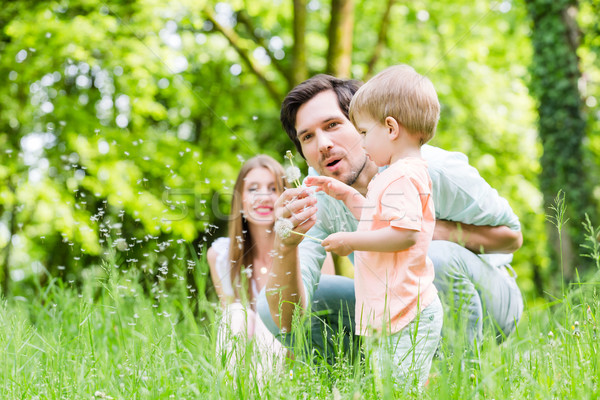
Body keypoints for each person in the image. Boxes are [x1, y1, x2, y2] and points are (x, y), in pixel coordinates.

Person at [257, 72, 523, 365]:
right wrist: (285, 246)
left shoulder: (429, 169)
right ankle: (368, 384)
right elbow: (287, 320)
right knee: (268, 305)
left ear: (364, 125)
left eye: (332, 125)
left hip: (491, 304)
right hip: (396, 310)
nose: (323, 144)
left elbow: (511, 237)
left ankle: (455, 378)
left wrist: (427, 230)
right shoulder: (317, 198)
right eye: (307, 136)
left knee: (436, 256)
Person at [305, 65, 443, 386]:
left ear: (391, 128)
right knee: (391, 386)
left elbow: (405, 234)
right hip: (394, 311)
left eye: (365, 133)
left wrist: (352, 242)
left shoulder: (402, 176)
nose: (361, 143)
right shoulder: (395, 174)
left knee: (401, 389)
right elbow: (378, 217)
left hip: (408, 312)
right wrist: (347, 195)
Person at [207, 155, 289, 377]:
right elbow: (233, 333)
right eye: (253, 189)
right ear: (240, 199)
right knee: (235, 313)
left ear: (285, 197)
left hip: (295, 359)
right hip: (249, 366)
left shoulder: (307, 248)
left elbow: (322, 319)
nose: (264, 197)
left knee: (267, 320)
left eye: (273, 189)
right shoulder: (221, 256)